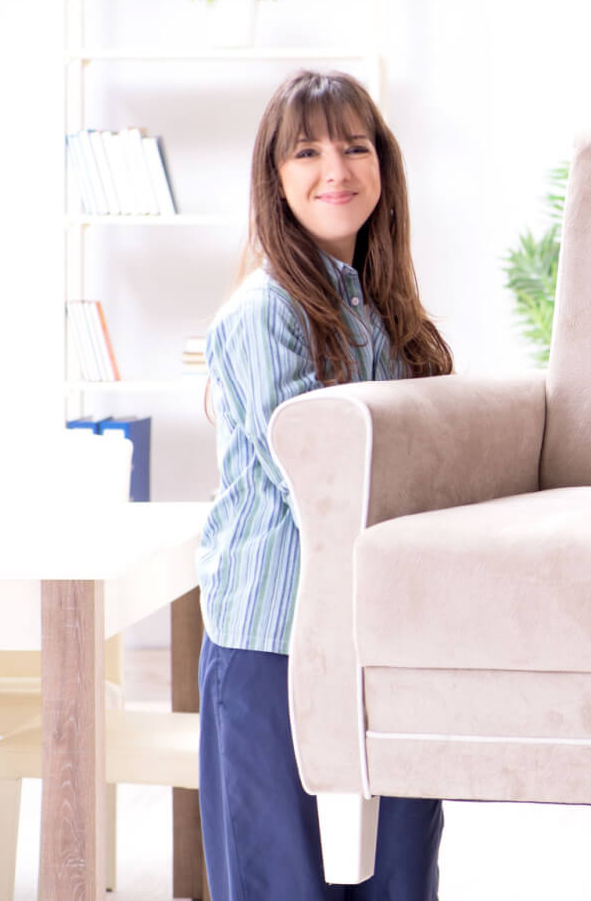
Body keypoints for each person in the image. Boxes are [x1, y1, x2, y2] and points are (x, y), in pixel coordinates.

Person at [198, 69, 452, 900]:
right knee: (286, 883)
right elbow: (320, 491)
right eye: (306, 152)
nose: (335, 169)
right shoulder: (264, 312)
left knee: (398, 875)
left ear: (383, 165)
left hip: (382, 634)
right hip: (275, 643)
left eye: (355, 146)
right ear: (274, 178)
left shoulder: (387, 312)